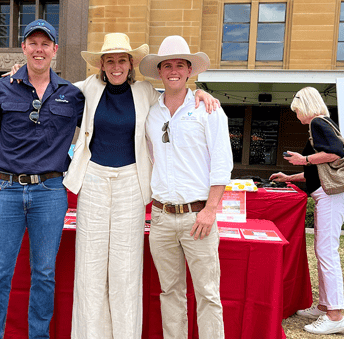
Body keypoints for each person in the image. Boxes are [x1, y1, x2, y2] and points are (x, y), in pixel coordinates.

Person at [6, 33, 219, 339]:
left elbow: (175, 94)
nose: (116, 66)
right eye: (110, 61)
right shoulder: (85, 89)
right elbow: (48, 90)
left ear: (131, 64)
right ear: (101, 65)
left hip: (132, 183)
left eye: (122, 60)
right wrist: (21, 73)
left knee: (126, 269)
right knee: (90, 269)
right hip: (93, 180)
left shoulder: (145, 91)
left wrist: (201, 93)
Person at [0, 19, 85, 339]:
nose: (39, 49)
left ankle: (38, 335)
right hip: (6, 191)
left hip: (50, 192)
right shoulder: (1, 87)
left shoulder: (71, 94)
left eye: (45, 44)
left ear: (55, 50)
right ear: (23, 48)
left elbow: (109, 108)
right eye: (32, 43)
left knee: (44, 274)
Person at [140, 35, 233, 339]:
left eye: (181, 64)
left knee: (207, 293)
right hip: (162, 217)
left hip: (198, 216)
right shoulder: (151, 112)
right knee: (170, 292)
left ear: (190, 71)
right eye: (168, 65)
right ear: (160, 71)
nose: (174, 70)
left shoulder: (209, 110)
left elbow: (222, 164)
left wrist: (210, 210)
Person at [270, 86, 344, 335]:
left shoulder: (317, 122)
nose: (296, 116)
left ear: (305, 106)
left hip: (330, 195)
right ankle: (325, 306)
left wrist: (303, 159)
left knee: (326, 251)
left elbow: (335, 154)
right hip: (328, 193)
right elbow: (317, 170)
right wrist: (289, 176)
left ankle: (335, 315)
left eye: (296, 111)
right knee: (323, 249)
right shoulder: (323, 123)